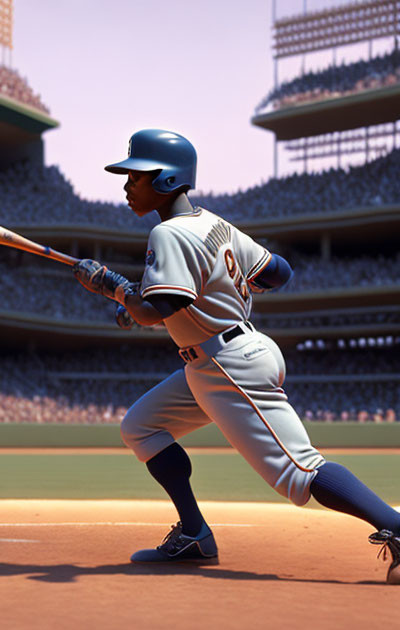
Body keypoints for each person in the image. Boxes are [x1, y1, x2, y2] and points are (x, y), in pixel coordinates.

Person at [73, 129, 400, 584]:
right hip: (223, 355)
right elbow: (277, 272)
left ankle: (399, 528)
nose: (127, 185)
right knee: (141, 427)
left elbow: (156, 311)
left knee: (299, 471)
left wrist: (111, 286)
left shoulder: (166, 233)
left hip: (228, 364)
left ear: (166, 181)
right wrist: (218, 292)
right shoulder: (216, 224)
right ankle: (194, 535)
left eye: (136, 176)